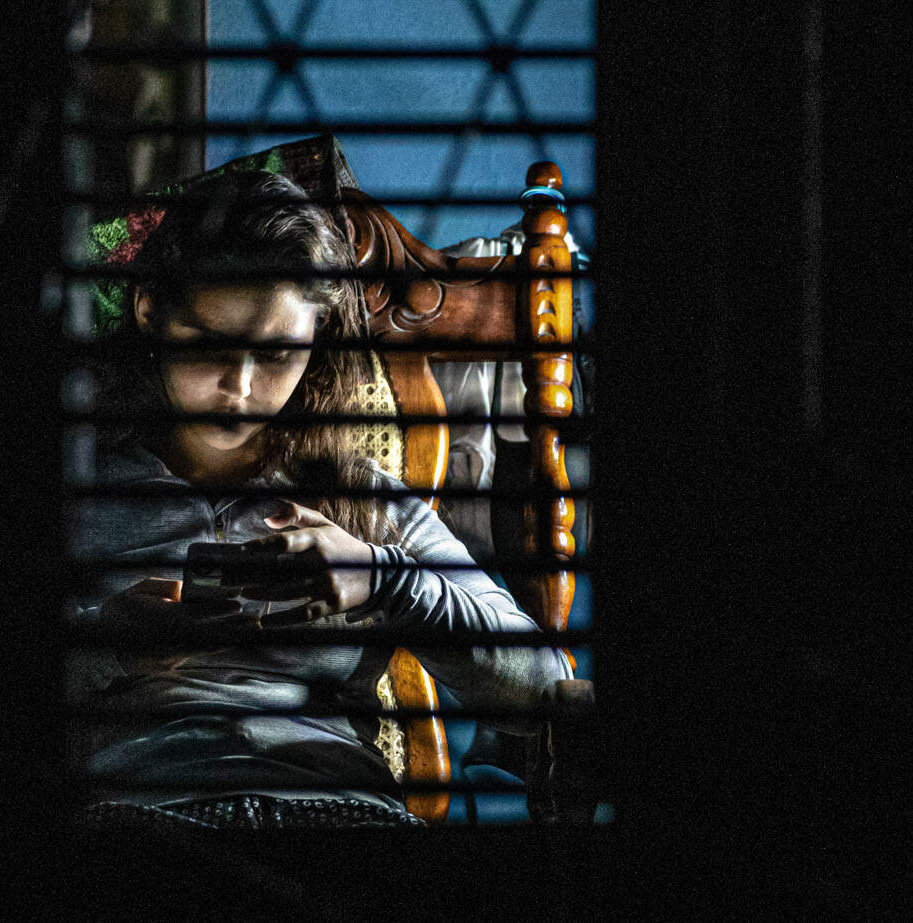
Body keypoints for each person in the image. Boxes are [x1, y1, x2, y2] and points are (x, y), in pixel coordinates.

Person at [67, 170, 571, 830]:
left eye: (277, 352)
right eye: (211, 343)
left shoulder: (358, 496)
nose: (240, 385)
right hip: (147, 812)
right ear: (148, 311)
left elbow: (544, 686)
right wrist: (109, 644)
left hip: (334, 811)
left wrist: (385, 580)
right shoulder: (86, 487)